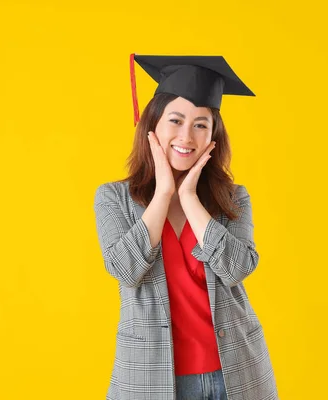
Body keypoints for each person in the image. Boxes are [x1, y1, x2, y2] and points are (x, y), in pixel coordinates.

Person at [93, 54, 279, 400]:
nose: (186, 135)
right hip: (151, 378)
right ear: (153, 127)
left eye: (200, 124)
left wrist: (190, 198)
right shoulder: (113, 198)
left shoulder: (233, 198)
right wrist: (164, 192)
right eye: (175, 121)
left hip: (237, 373)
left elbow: (238, 268)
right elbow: (124, 269)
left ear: (213, 135)